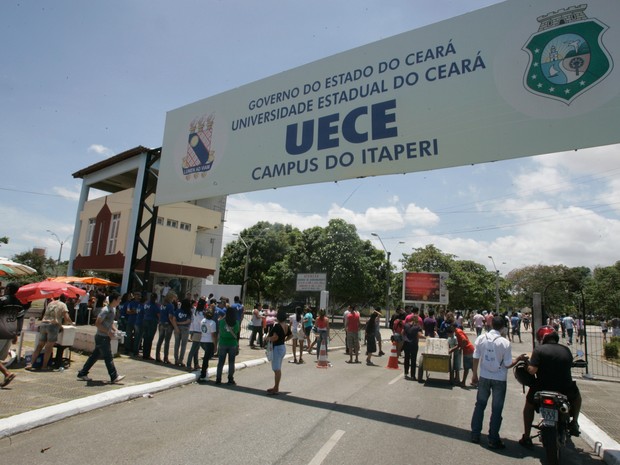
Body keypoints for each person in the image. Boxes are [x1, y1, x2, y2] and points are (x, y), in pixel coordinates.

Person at [519, 325, 582, 447]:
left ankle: (526, 436)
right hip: (565, 387)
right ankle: (574, 422)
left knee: (529, 406)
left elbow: (532, 371)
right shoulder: (566, 350)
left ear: (541, 338)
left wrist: (526, 365)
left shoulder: (539, 350)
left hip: (542, 387)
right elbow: (569, 364)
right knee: (577, 398)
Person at [470, 316, 523, 449]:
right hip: (499, 379)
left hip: (484, 376)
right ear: (503, 327)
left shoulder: (481, 338)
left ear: (491, 324)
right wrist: (518, 360)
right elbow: (508, 364)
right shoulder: (505, 343)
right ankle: (493, 438)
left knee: (480, 405)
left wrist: (474, 374)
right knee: (497, 409)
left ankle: (475, 434)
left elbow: (476, 357)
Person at [76, 291, 125, 384]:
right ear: (114, 300)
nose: (120, 301)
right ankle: (114, 376)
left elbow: (110, 323)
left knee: (94, 356)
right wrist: (108, 332)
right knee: (108, 356)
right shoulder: (105, 310)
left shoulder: (113, 309)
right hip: (102, 337)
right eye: (119, 299)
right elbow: (97, 323)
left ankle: (82, 373)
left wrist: (116, 330)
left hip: (104, 336)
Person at [27, 294, 73, 371]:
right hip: (53, 325)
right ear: (65, 299)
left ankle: (31, 363)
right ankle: (44, 366)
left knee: (40, 345)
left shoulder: (51, 303)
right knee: (49, 347)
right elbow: (66, 317)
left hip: (44, 324)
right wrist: (71, 323)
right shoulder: (63, 305)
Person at [0, 282, 25, 388]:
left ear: (8, 289)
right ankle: (6, 374)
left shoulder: (1, 300)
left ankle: (7, 373)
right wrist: (16, 334)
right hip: (10, 334)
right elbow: (19, 320)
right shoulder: (19, 303)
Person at [266, 308, 292, 395]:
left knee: (276, 369)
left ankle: (276, 387)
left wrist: (267, 338)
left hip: (277, 348)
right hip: (282, 347)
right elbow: (291, 335)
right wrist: (284, 340)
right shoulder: (286, 326)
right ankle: (275, 386)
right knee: (278, 368)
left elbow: (275, 338)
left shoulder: (277, 326)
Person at [215, 306, 239, 385]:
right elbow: (237, 333)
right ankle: (230, 378)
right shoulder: (236, 322)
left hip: (222, 343)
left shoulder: (221, 322)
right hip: (232, 343)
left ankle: (218, 378)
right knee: (231, 362)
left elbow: (219, 332)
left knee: (221, 362)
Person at [156, 291, 176, 364]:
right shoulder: (170, 305)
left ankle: (157, 355)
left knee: (160, 340)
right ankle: (165, 357)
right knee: (167, 342)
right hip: (168, 324)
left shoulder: (162, 305)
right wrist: (175, 326)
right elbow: (170, 316)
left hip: (161, 323)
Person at [402, 312, 424, 380]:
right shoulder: (418, 327)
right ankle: (412, 375)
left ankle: (405, 373)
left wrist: (405, 338)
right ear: (417, 320)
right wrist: (426, 337)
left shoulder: (406, 325)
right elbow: (420, 335)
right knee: (413, 360)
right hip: (414, 344)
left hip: (406, 344)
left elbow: (402, 333)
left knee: (406, 358)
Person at [186, 297, 206, 370]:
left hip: (195, 331)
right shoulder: (201, 314)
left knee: (196, 349)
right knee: (193, 349)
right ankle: (188, 364)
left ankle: (196, 363)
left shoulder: (195, 312)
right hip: (199, 332)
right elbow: (202, 323)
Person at [198, 306, 217, 382]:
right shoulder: (212, 323)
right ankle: (203, 374)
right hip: (209, 342)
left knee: (206, 358)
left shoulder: (202, 321)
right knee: (206, 359)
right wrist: (215, 345)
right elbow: (213, 335)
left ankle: (205, 371)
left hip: (202, 340)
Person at [172, 298, 192, 367]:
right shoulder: (189, 312)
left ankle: (176, 360)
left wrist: (176, 327)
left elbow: (173, 319)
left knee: (176, 344)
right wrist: (181, 323)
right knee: (183, 345)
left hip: (177, 328)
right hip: (185, 328)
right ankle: (180, 360)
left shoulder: (178, 310)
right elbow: (188, 321)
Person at [141, 292, 159, 360]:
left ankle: (144, 354)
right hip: (152, 322)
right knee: (149, 338)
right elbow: (158, 314)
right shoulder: (154, 305)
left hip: (145, 320)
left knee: (145, 338)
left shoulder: (146, 303)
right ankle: (147, 354)